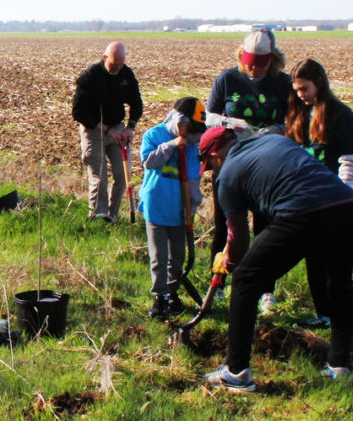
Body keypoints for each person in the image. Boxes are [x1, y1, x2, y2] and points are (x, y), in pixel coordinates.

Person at [198, 128, 353, 391]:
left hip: (302, 213)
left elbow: (238, 242)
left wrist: (227, 263)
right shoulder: (272, 140)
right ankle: (340, 366)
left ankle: (236, 372)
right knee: (340, 285)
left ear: (216, 154)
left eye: (210, 166)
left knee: (245, 280)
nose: (212, 172)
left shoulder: (227, 176)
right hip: (348, 207)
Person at [206, 28, 292, 314]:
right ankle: (217, 284)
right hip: (231, 164)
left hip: (267, 167)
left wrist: (279, 128)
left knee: (265, 230)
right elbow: (208, 116)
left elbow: (294, 119)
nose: (253, 68)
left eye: (260, 63)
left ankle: (265, 290)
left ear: (272, 60)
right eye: (249, 62)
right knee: (225, 228)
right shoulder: (227, 79)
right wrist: (232, 124)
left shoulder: (282, 83)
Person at [286, 58, 353, 329]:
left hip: (333, 201)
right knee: (314, 261)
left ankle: (341, 319)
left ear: (318, 83)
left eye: (304, 89)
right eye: (296, 90)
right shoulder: (297, 114)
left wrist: (340, 194)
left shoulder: (341, 116)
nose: (300, 95)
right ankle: (324, 315)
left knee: (334, 265)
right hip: (305, 200)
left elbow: (350, 160)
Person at [138, 97, 206, 319]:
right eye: (189, 127)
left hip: (180, 209)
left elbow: (195, 177)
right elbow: (149, 161)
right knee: (159, 255)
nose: (191, 134)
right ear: (179, 120)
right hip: (157, 204)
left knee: (177, 255)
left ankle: (172, 292)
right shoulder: (154, 135)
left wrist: (193, 206)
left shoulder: (193, 145)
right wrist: (172, 145)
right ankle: (160, 296)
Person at [71, 41, 143, 223]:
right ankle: (98, 217)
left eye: (121, 64)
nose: (118, 68)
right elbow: (78, 111)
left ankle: (113, 216)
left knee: (122, 174)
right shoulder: (90, 76)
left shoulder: (126, 74)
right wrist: (104, 129)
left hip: (117, 128)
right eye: (114, 64)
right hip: (94, 130)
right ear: (105, 58)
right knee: (99, 177)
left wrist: (130, 128)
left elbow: (137, 103)